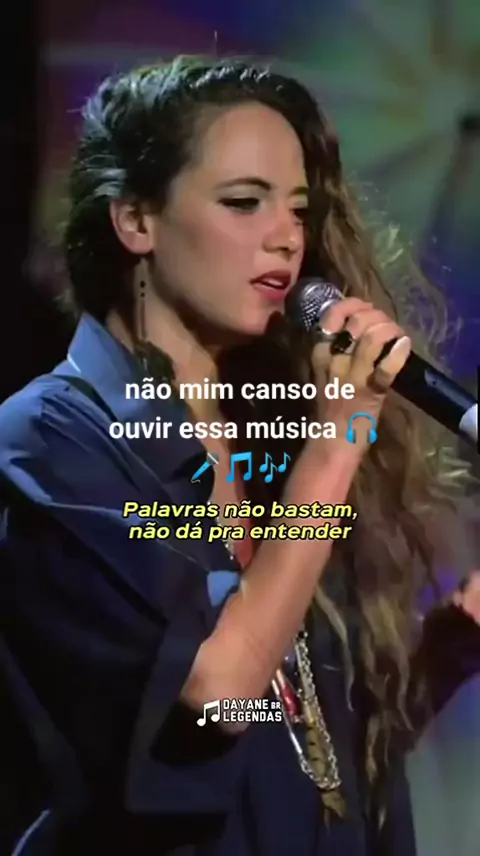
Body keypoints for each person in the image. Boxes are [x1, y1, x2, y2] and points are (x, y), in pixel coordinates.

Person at [0, 57, 479, 856]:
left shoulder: (268, 437)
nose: (287, 236)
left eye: (298, 208)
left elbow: (287, 748)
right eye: (244, 202)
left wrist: (444, 656)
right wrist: (340, 436)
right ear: (135, 220)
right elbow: (216, 696)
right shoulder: (48, 443)